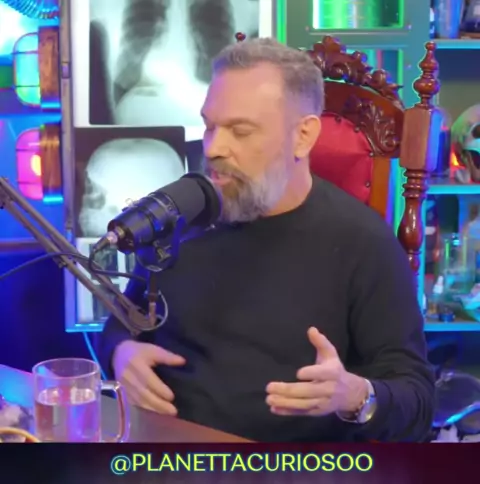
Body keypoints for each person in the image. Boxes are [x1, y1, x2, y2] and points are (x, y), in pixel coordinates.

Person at [99, 37, 435, 442]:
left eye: (240, 131)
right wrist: (121, 353)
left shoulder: (362, 242)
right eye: (210, 126)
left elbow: (417, 401)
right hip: (166, 452)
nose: (214, 148)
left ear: (303, 136)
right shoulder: (181, 213)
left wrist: (355, 396)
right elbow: (122, 323)